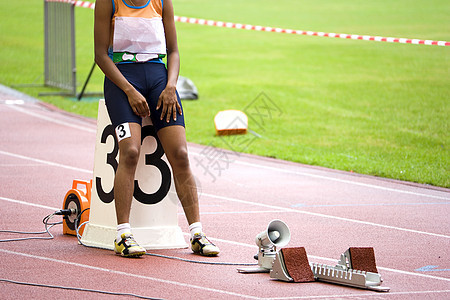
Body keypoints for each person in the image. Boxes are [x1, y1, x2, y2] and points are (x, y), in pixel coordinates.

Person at [94, 0, 219, 257]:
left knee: (181, 154)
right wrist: (129, 91)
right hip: (121, 78)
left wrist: (171, 86)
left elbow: (173, 51)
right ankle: (123, 235)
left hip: (159, 79)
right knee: (129, 151)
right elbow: (100, 55)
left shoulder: (162, 2)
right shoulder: (108, 1)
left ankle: (197, 233)